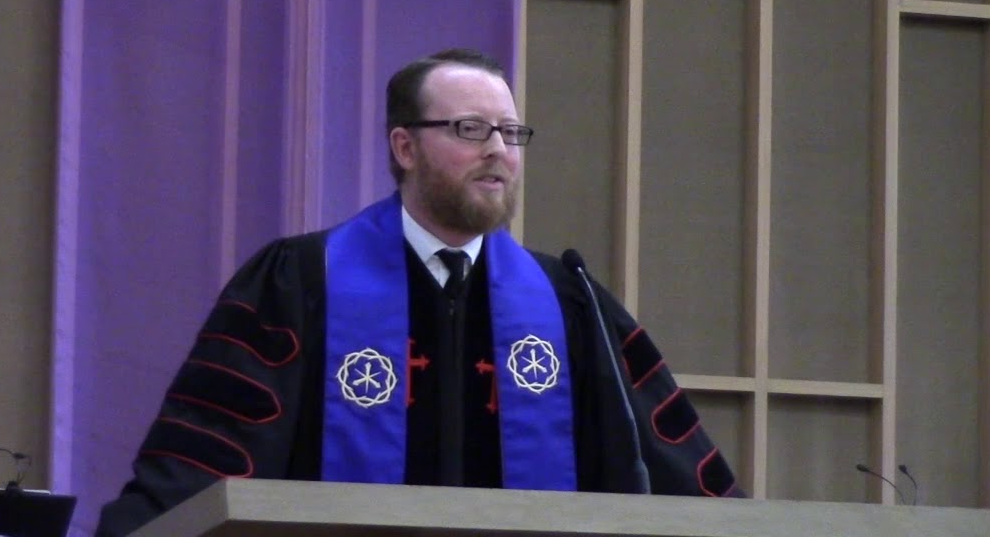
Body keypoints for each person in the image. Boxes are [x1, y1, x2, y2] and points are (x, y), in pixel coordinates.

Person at [96, 49, 742, 537]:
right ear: (404, 146)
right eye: (470, 129)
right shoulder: (300, 283)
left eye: (510, 133)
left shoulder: (568, 302)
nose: (498, 151)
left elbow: (669, 469)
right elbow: (205, 457)